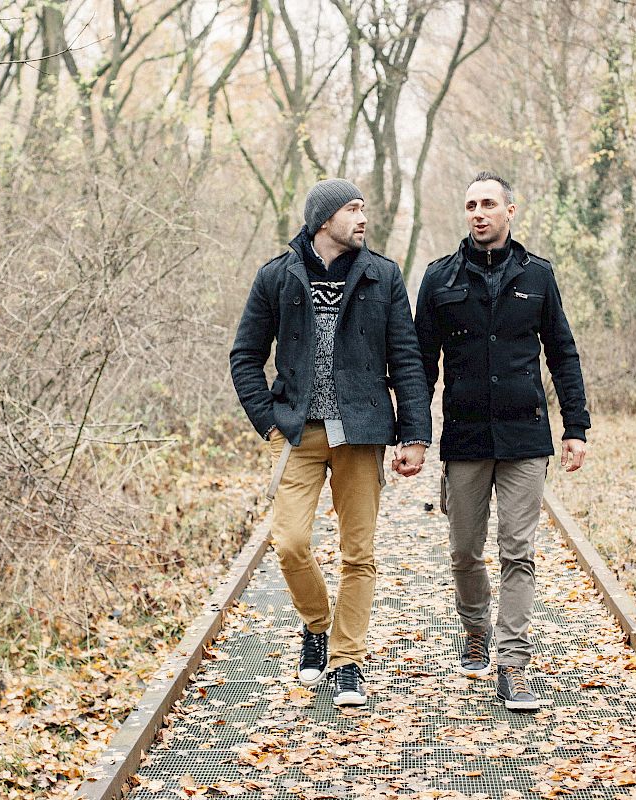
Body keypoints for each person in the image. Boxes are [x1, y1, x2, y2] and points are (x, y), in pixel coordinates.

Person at [230, 179, 431, 708]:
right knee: (290, 542)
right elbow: (245, 356)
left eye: (364, 208)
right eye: (353, 209)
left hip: (361, 431)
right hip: (296, 431)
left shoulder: (382, 275)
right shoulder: (277, 275)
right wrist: (268, 421)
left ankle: (347, 661)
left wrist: (414, 433)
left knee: (358, 553)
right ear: (324, 220)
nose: (364, 218)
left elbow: (406, 359)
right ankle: (317, 625)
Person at [415, 171, 590, 711]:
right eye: (470, 204)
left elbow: (562, 352)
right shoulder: (439, 279)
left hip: (524, 437)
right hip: (464, 438)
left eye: (488, 203)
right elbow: (420, 363)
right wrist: (414, 433)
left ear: (511, 211)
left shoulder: (538, 276)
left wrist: (576, 427)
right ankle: (475, 629)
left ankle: (513, 664)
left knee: (519, 551)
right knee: (465, 551)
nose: (478, 213)